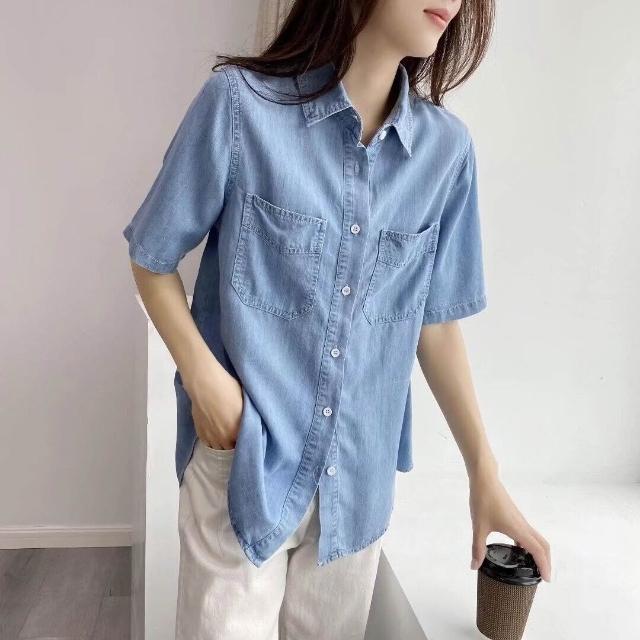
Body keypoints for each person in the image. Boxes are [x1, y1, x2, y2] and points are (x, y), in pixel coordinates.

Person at [123, 0, 552, 638]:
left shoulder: (445, 153)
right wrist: (207, 385)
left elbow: (435, 326)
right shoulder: (239, 107)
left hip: (358, 488)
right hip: (245, 466)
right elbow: (151, 257)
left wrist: (484, 474)